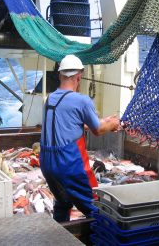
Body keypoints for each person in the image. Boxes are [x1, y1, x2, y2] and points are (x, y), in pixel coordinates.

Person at [40, 54, 121, 222]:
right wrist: (113, 124)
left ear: (60, 75)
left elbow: (69, 123)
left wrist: (103, 121)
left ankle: (60, 238)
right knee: (97, 207)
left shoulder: (50, 99)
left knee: (63, 202)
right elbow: (97, 130)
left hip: (47, 164)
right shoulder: (81, 100)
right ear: (79, 76)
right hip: (69, 163)